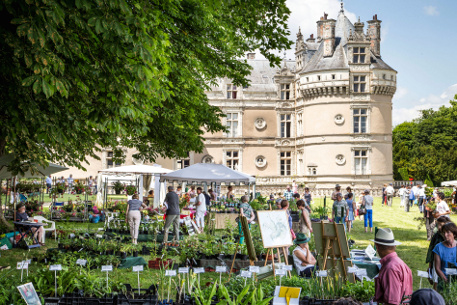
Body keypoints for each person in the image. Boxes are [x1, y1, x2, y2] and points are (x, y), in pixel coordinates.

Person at [371, 228, 413, 305]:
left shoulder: (390, 268)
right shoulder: (399, 262)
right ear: (394, 246)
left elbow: (392, 302)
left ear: (377, 247)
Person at [426, 216, 449, 290]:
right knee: (436, 281)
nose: (439, 227)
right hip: (436, 261)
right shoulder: (436, 236)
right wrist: (430, 266)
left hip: (448, 261)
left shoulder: (451, 235)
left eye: (441, 225)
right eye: (438, 225)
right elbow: (431, 250)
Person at [433, 222, 457, 291]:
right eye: (444, 233)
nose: (445, 235)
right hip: (443, 281)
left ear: (454, 233)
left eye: (448, 232)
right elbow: (437, 268)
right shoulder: (438, 247)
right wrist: (445, 280)